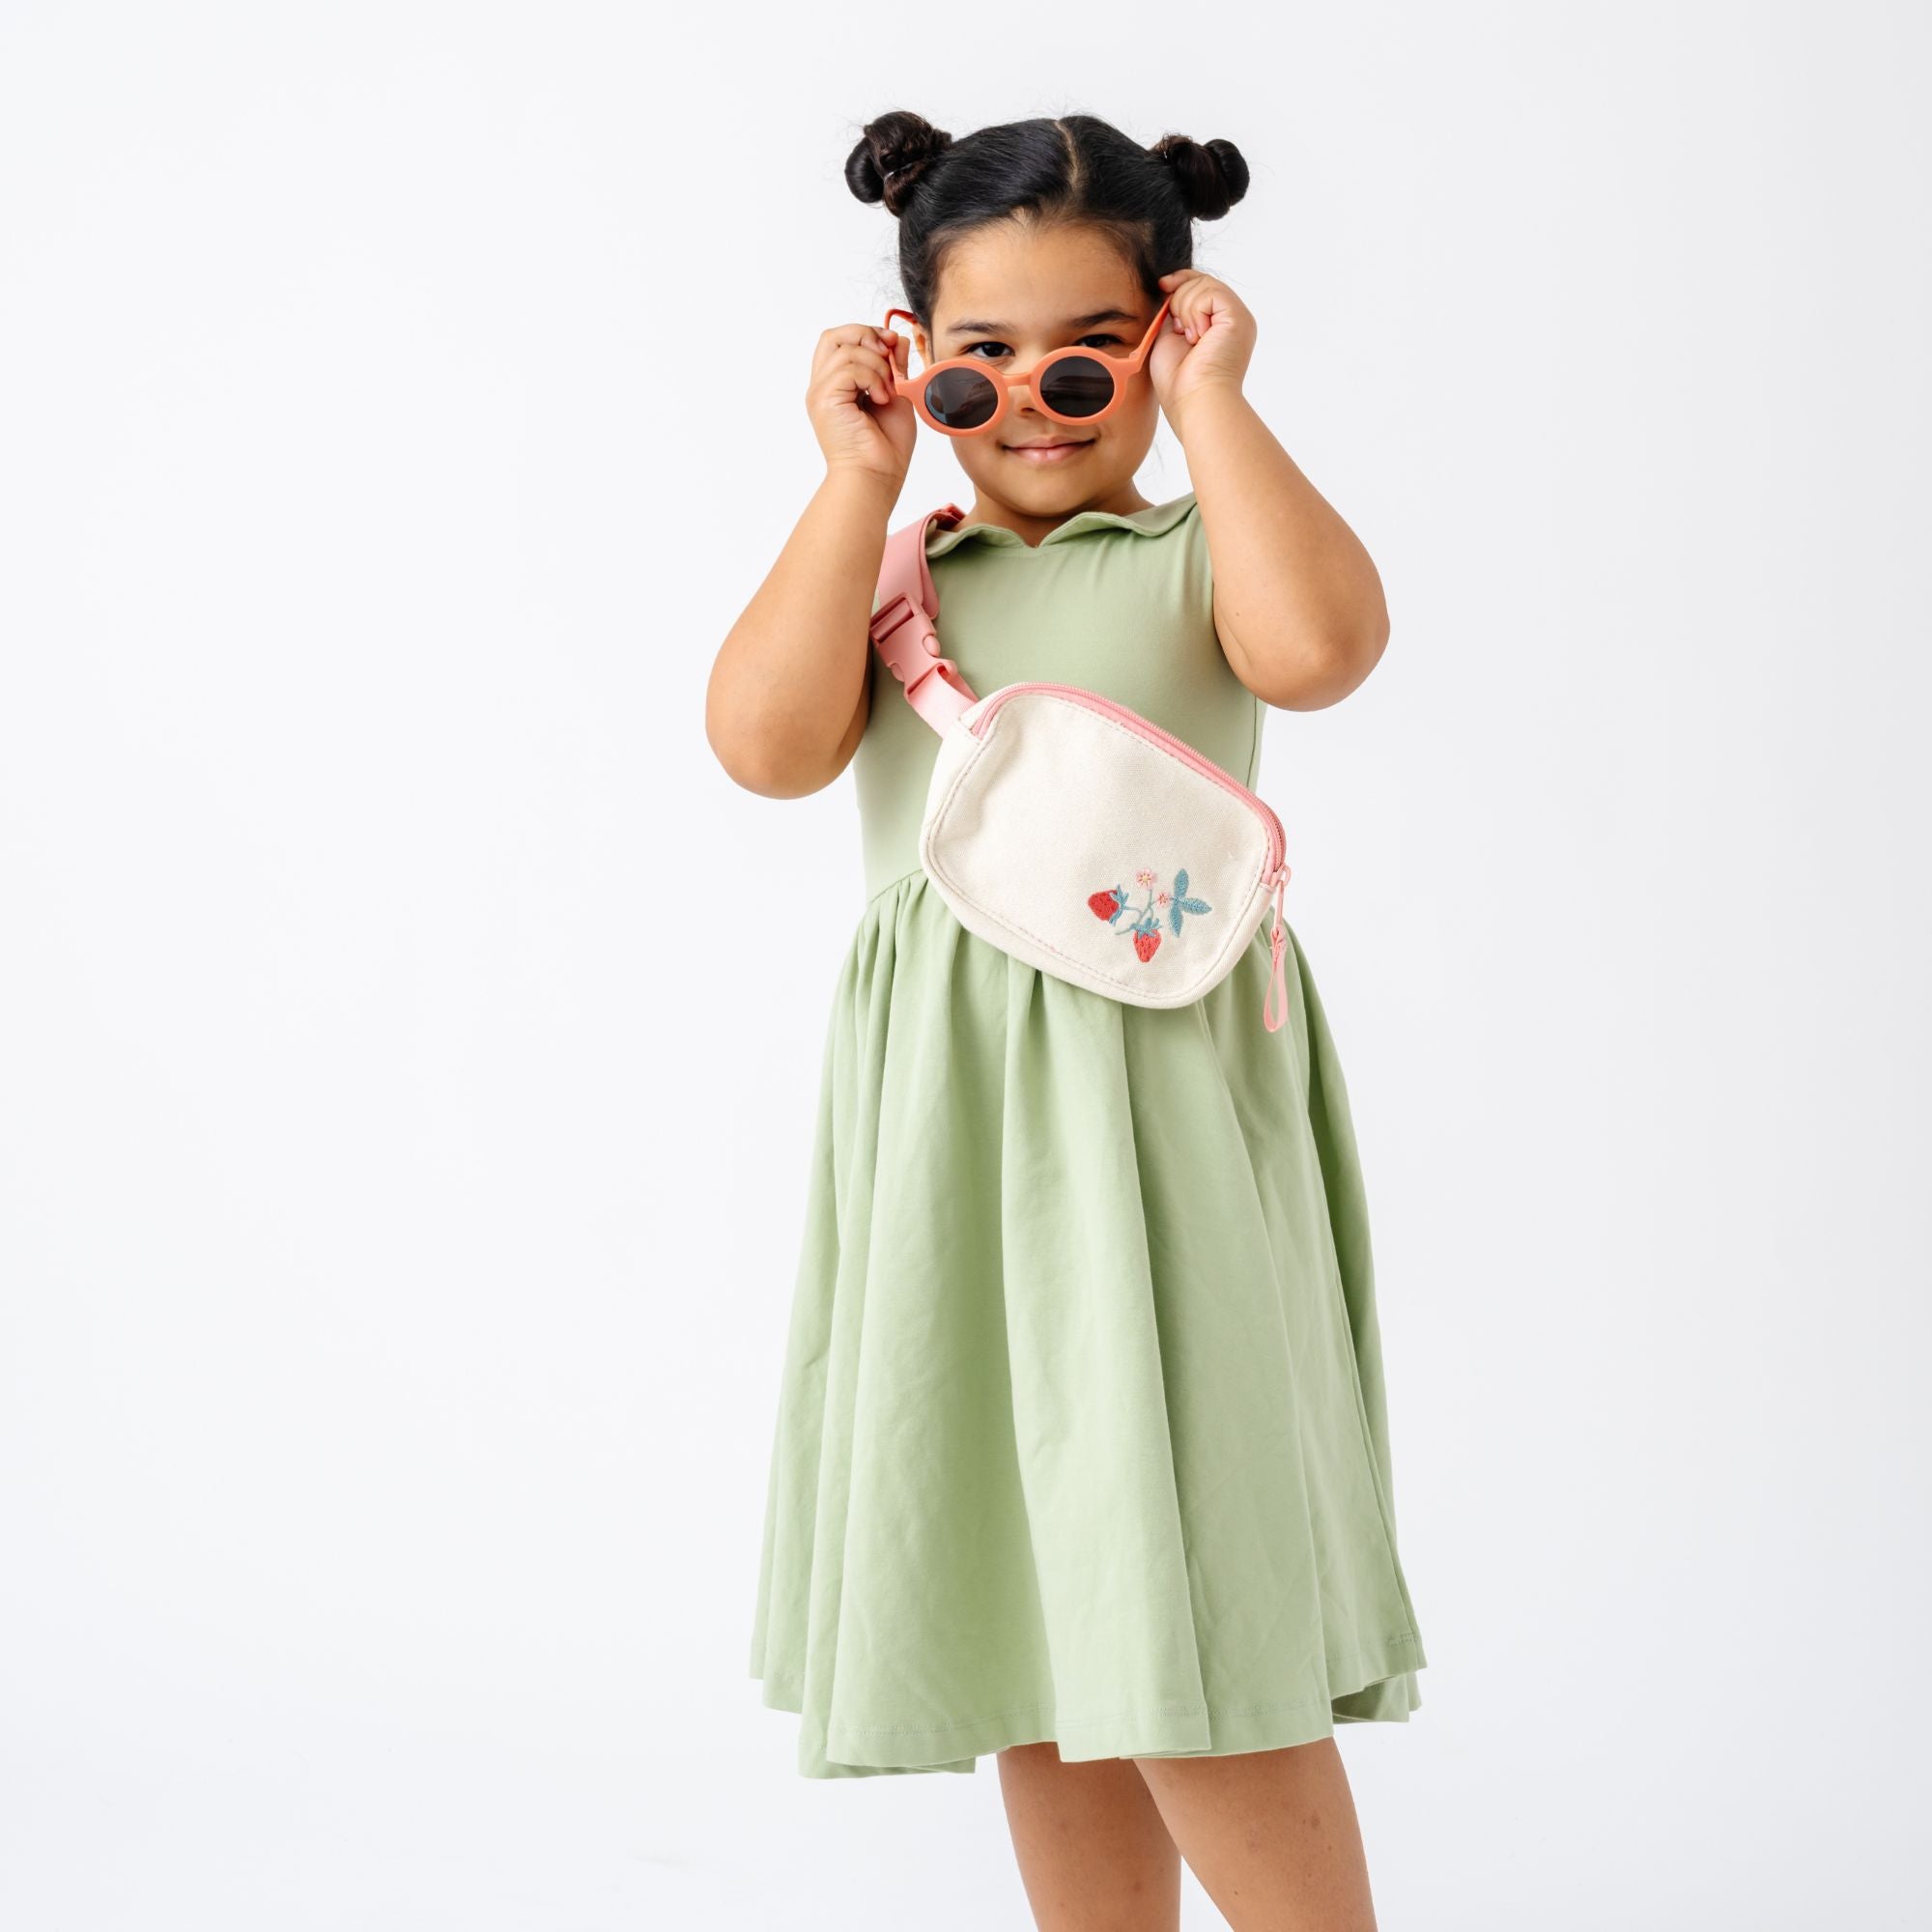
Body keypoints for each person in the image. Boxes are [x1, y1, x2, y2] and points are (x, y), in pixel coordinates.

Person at [705, 108, 1428, 1932]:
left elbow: (1320, 650)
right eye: (980, 362)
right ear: (911, 359)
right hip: (958, 1143)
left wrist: (1216, 408)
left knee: (1194, 1608)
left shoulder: (1197, 553)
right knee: (1045, 1600)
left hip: (1163, 1126)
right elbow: (765, 748)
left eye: (1090, 353)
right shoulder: (895, 584)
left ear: (1168, 329)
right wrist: (854, 479)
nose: (1033, 398)